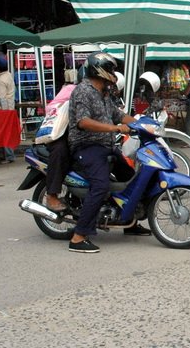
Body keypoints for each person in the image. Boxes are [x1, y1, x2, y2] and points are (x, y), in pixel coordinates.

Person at [67, 52, 141, 254]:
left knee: (131, 178)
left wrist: (144, 125)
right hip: (86, 146)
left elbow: (119, 115)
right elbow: (83, 122)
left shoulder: (105, 93)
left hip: (106, 146)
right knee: (101, 185)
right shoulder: (83, 91)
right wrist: (115, 128)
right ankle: (78, 236)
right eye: (110, 69)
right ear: (98, 70)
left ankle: (130, 222)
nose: (113, 74)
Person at [43, 81, 79, 212]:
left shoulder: (102, 93)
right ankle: (51, 194)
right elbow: (50, 108)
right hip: (60, 132)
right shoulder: (71, 89)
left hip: (80, 134)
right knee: (60, 151)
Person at [0, 58, 16, 164]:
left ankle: (9, 156)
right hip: (9, 108)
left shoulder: (1, 80)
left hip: (4, 110)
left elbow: (1, 98)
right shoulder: (8, 75)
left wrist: (1, 112)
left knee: (5, 133)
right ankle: (7, 155)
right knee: (7, 133)